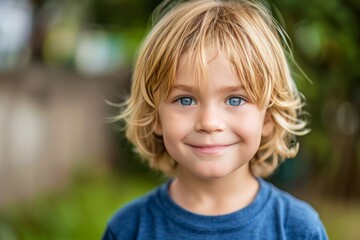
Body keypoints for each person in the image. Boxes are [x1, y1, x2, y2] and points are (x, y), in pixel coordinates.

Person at [103, 0, 328, 239]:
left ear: (268, 117)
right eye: (185, 100)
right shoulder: (128, 229)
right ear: (154, 116)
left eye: (235, 100)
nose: (209, 123)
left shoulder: (299, 229)